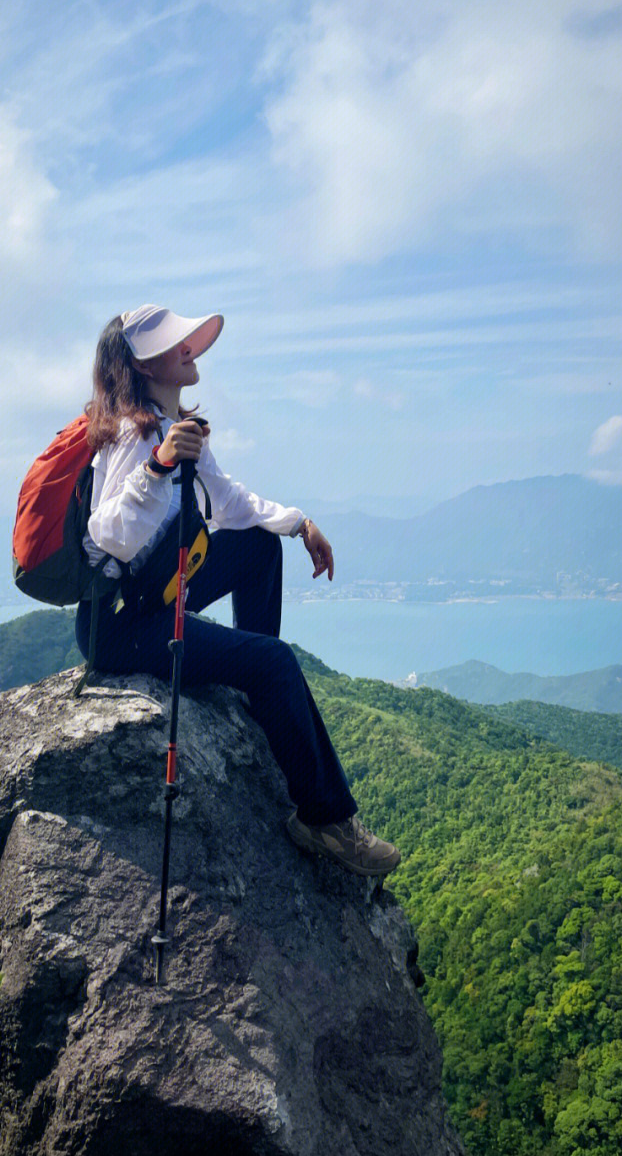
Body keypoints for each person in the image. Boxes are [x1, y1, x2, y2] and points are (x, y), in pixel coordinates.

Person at [74, 304, 400, 879]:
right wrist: (156, 467)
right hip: (123, 625)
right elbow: (109, 538)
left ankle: (257, 693)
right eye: (177, 344)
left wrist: (299, 523)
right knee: (274, 661)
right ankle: (324, 820)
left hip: (160, 593)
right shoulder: (136, 436)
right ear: (147, 363)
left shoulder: (176, 426)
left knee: (256, 544)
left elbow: (230, 504)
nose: (190, 350)